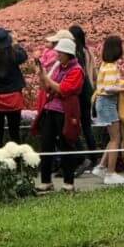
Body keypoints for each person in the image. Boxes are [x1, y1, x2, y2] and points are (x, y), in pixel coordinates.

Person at [35, 36, 84, 192]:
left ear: (68, 54)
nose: (58, 55)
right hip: (50, 110)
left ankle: (68, 183)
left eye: (60, 52)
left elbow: (64, 89)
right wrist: (41, 76)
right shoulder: (58, 67)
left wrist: (46, 79)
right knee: (46, 145)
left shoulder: (77, 70)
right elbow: (47, 88)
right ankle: (46, 181)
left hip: (65, 113)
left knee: (66, 145)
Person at [92, 35, 124, 186]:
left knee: (112, 137)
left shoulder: (105, 65)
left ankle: (101, 166)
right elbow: (109, 88)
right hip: (107, 103)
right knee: (116, 138)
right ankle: (110, 173)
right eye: (122, 45)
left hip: (103, 102)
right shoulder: (112, 67)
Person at [0, 27, 27, 147]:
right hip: (14, 98)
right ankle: (16, 156)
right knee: (15, 132)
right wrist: (16, 43)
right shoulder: (15, 54)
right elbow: (24, 55)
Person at [69, 24, 99, 174]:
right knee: (87, 127)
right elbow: (94, 73)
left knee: (76, 126)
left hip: (80, 91)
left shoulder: (75, 53)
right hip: (89, 90)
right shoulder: (88, 51)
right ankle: (94, 159)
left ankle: (83, 159)